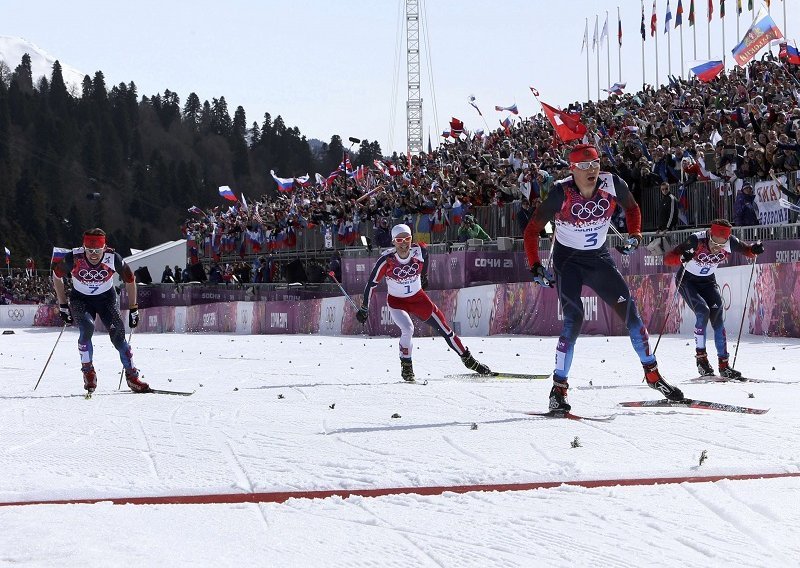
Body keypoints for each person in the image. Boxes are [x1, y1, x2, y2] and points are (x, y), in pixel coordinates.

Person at [523, 143, 684, 413]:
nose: (592, 170)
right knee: (574, 320)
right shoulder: (560, 193)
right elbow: (531, 230)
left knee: (631, 315)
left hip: (598, 259)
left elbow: (632, 210)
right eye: (584, 166)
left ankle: (653, 375)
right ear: (572, 169)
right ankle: (558, 389)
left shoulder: (612, 183)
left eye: (595, 163)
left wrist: (635, 235)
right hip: (569, 262)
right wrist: (535, 266)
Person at [356, 223, 492, 382]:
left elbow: (426, 256)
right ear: (393, 241)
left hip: (418, 299)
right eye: (399, 240)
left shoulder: (419, 252)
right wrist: (364, 308)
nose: (403, 244)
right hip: (396, 302)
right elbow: (371, 284)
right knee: (408, 329)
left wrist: (424, 276)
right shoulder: (386, 260)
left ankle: (469, 360)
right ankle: (406, 367)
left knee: (445, 329)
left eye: (407, 239)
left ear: (411, 239)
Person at [51, 228, 149, 394]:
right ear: (83, 247)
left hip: (106, 299)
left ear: (104, 248)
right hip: (81, 299)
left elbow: (131, 280)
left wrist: (134, 308)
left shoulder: (113, 258)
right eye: (89, 250)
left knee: (118, 335)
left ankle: (132, 376)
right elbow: (56, 275)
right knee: (87, 328)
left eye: (97, 251)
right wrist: (63, 305)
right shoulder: (74, 257)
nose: (94, 255)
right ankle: (88, 372)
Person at [664, 219, 764, 379]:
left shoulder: (731, 242)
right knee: (702, 312)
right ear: (710, 235)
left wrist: (755, 249)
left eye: (722, 245)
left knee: (717, 315)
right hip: (687, 281)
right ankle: (701, 360)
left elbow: (748, 250)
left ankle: (724, 365)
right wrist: (682, 257)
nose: (718, 248)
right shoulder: (695, 240)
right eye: (715, 243)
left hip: (708, 281)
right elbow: (668, 258)